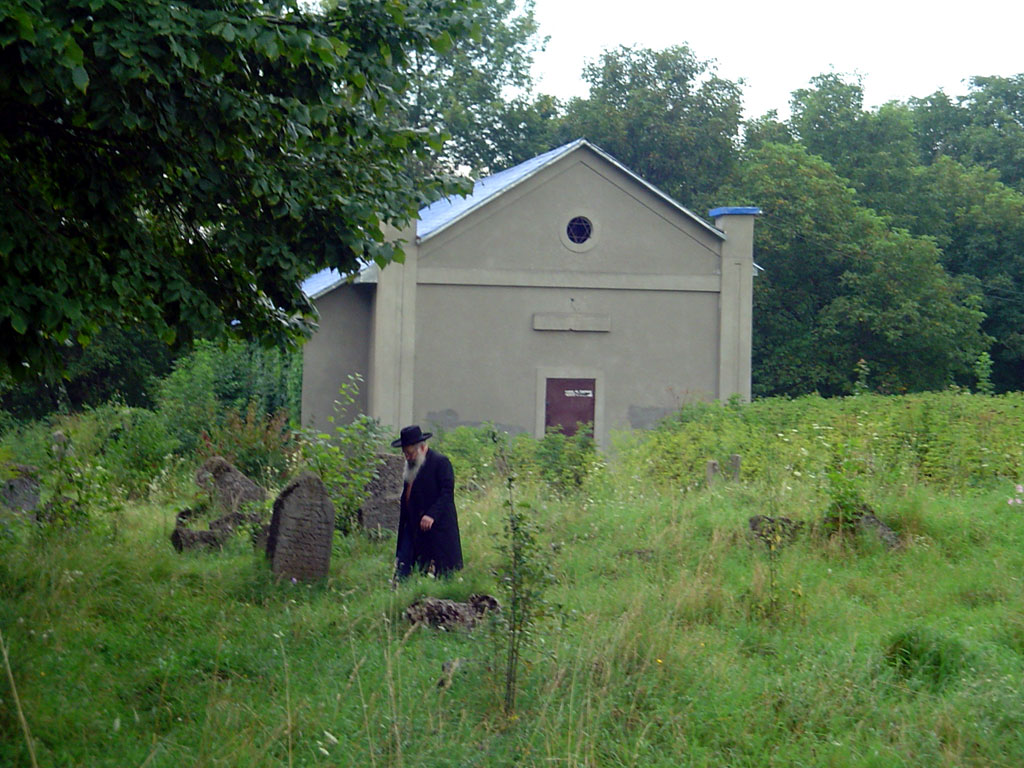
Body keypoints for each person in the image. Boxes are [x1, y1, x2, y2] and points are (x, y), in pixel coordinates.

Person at [393, 425, 463, 580]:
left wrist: (431, 515)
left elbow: (447, 492)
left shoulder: (440, 462)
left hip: (437, 527)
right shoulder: (411, 466)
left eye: (410, 453)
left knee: (444, 572)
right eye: (405, 453)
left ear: (422, 447)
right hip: (412, 526)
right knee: (406, 566)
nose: (407, 457)